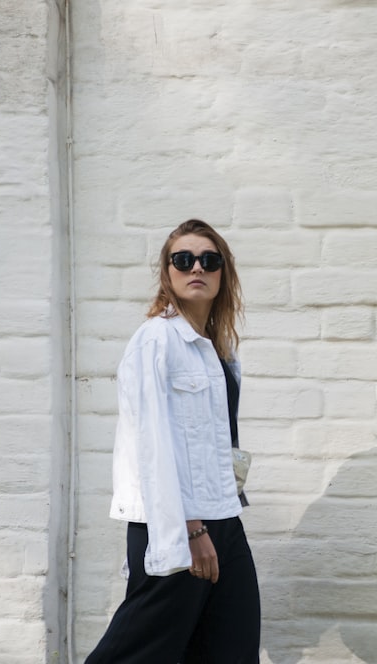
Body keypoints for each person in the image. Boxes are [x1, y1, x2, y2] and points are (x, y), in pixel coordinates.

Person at [85, 219, 261, 663]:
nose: (196, 267)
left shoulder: (218, 349)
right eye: (183, 260)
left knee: (231, 648)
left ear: (224, 274)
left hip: (223, 516)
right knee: (137, 652)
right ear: (168, 273)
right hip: (176, 524)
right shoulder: (156, 340)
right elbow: (153, 445)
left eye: (209, 259)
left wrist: (215, 520)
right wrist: (192, 528)